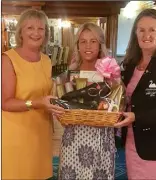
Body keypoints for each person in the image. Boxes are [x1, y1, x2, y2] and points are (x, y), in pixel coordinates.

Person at [2, 9, 65, 179]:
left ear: (46, 33)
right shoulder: (8, 59)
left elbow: (47, 94)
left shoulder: (46, 60)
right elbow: (5, 102)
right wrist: (36, 103)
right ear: (21, 32)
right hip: (17, 135)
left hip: (42, 132)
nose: (36, 33)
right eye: (30, 28)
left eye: (41, 29)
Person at [114, 9, 156, 179]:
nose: (146, 35)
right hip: (132, 142)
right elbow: (123, 97)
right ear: (135, 33)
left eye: (152, 30)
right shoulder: (130, 63)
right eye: (141, 30)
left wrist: (137, 116)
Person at [59, 23, 116, 180]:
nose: (88, 46)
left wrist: (114, 82)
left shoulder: (109, 70)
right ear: (77, 45)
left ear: (100, 44)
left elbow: (118, 101)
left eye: (93, 41)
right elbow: (63, 103)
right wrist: (60, 114)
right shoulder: (71, 72)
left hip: (101, 138)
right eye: (83, 41)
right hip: (74, 137)